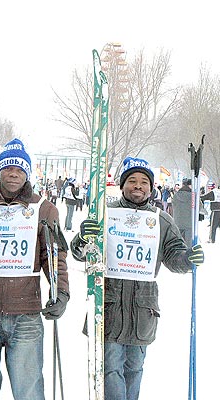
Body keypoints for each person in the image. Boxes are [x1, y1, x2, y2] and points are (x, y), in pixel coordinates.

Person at [70, 156, 205, 400]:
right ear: (122, 186)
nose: (138, 186)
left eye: (144, 182)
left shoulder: (161, 220)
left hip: (143, 310)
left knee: (134, 368)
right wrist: (83, 237)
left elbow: (174, 255)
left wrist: (187, 259)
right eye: (132, 181)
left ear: (151, 188)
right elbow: (80, 253)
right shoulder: (106, 214)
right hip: (110, 304)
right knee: (111, 369)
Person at [0, 138, 70, 400]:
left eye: (19, 169)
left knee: (28, 389)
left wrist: (61, 292)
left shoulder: (44, 209)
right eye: (8, 168)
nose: (13, 174)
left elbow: (53, 257)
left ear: (27, 173)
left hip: (26, 313)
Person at [171, 178, 205, 244]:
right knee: (189, 244)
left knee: (178, 243)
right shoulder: (194, 196)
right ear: (190, 185)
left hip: (178, 222)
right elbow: (200, 207)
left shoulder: (176, 195)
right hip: (190, 223)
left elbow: (173, 206)